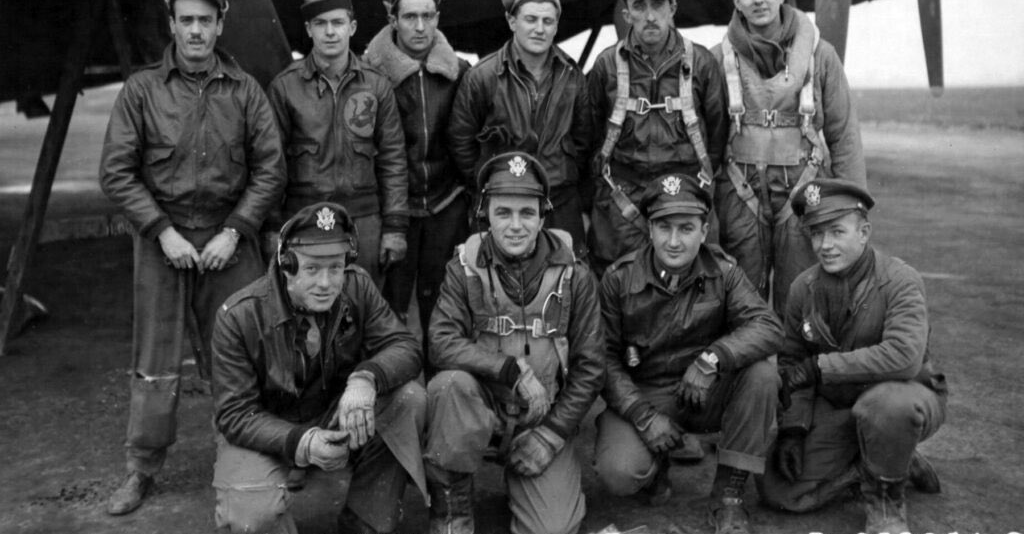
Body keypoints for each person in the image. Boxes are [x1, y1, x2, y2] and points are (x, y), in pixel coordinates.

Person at [99, 0, 286, 515]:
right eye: (187, 20)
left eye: (206, 20)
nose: (196, 31)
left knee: (243, 350)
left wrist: (235, 231)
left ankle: (248, 453)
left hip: (228, 238)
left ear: (220, 25)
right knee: (155, 357)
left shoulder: (245, 90)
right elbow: (116, 172)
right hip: (164, 237)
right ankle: (141, 467)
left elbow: (270, 169)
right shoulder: (142, 90)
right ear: (172, 25)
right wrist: (162, 232)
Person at [211, 201, 428, 534]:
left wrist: (365, 379)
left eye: (335, 268)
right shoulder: (239, 316)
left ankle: (366, 520)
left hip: (331, 411)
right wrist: (303, 441)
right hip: (265, 427)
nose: (326, 283)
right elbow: (235, 414)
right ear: (286, 265)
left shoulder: (358, 286)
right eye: (312, 269)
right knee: (251, 517)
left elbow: (404, 346)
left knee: (409, 399)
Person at [424, 152, 604, 534]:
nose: (516, 225)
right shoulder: (463, 268)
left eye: (527, 213)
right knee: (448, 386)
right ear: (485, 215)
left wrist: (551, 436)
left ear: (543, 216)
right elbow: (440, 341)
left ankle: (529, 478)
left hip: (540, 416)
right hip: (482, 408)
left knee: (554, 529)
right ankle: (452, 510)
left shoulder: (575, 275)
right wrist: (509, 369)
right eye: (503, 213)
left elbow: (591, 367)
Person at [595, 172, 783, 534]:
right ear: (649, 230)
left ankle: (729, 497)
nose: (674, 241)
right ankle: (654, 471)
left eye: (686, 229)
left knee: (762, 375)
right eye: (664, 228)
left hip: (706, 391)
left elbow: (768, 326)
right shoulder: (619, 279)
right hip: (646, 394)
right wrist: (642, 416)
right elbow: (602, 357)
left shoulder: (724, 272)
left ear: (704, 229)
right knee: (619, 471)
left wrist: (714, 357)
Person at [759, 178, 946, 534]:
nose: (825, 245)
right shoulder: (803, 288)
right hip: (842, 407)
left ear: (864, 233)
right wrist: (793, 429)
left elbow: (904, 356)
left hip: (904, 398)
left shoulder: (900, 280)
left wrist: (821, 367)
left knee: (885, 407)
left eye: (836, 232)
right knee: (778, 490)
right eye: (816, 233)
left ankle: (886, 504)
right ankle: (880, 461)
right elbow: (791, 362)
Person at [712, 0, 865, 311]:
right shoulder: (718, 59)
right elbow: (705, 138)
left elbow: (843, 134)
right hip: (740, 190)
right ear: (736, 1)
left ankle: (794, 349)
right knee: (740, 299)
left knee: (800, 295)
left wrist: (852, 208)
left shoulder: (820, 56)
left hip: (803, 187)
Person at [587, 0, 728, 273]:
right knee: (619, 280)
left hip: (685, 192)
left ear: (672, 8)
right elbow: (590, 135)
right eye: (639, 6)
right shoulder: (606, 66)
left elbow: (718, 133)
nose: (650, 16)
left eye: (658, 4)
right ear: (626, 14)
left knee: (697, 282)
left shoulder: (701, 63)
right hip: (623, 195)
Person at [268, 0, 408, 287]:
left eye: (338, 23)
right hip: (303, 219)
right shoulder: (285, 87)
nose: (330, 32)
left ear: (352, 27)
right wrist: (272, 227)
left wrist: (395, 226)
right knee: (305, 301)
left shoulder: (376, 86)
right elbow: (271, 163)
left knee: (362, 302)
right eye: (321, 24)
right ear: (309, 29)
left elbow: (393, 159)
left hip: (363, 221)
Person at [448, 0, 591, 254]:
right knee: (494, 277)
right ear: (512, 22)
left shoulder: (573, 76)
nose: (539, 29)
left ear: (556, 26)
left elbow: (584, 140)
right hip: (501, 206)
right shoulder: (482, 77)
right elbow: (460, 141)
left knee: (565, 274)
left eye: (548, 21)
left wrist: (561, 173)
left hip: (559, 204)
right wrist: (492, 182)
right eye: (531, 19)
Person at [363, 0, 471, 335]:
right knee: (388, 310)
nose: (420, 26)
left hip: (446, 204)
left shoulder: (461, 73)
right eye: (410, 17)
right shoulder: (368, 75)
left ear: (438, 18)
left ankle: (440, 367)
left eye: (428, 16)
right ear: (392, 20)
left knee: (445, 307)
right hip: (393, 208)